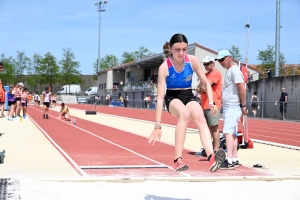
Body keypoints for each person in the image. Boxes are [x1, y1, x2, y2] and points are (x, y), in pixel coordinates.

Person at [147, 33, 226, 172]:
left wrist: (212, 103)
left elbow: (206, 83)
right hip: (172, 96)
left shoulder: (192, 60)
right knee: (184, 114)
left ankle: (211, 157)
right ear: (171, 49)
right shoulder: (164, 67)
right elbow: (160, 97)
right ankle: (178, 160)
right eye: (177, 49)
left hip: (188, 94)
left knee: (201, 117)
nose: (181, 53)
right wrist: (157, 125)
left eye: (184, 49)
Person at [215, 49, 247, 170]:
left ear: (229, 58)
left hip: (233, 107)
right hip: (231, 107)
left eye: (222, 59)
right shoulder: (230, 71)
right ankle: (233, 158)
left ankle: (228, 160)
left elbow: (242, 88)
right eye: (219, 60)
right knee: (232, 134)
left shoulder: (234, 70)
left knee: (228, 132)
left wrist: (243, 105)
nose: (220, 62)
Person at [195, 56, 222, 155]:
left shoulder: (216, 73)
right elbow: (198, 88)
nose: (205, 66)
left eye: (207, 64)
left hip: (213, 104)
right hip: (204, 105)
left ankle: (215, 150)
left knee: (214, 128)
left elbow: (205, 86)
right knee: (205, 128)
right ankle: (208, 149)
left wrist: (203, 88)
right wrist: (203, 88)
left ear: (212, 63)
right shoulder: (205, 75)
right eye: (204, 64)